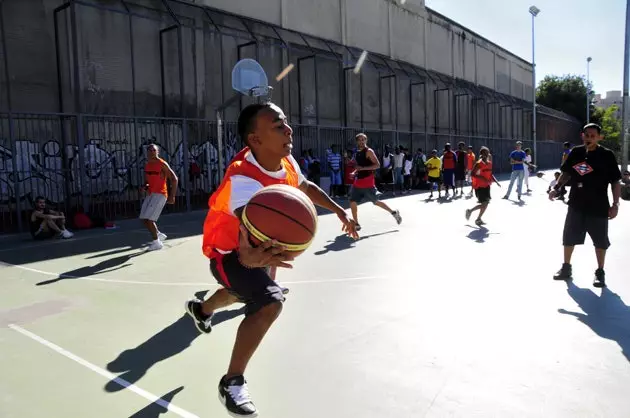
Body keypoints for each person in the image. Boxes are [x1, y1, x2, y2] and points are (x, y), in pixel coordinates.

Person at [185, 103, 358, 417]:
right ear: (255, 139)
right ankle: (232, 381)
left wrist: (338, 209)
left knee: (243, 291)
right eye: (278, 126)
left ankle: (202, 308)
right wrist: (250, 257)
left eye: (286, 123)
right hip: (228, 252)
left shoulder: (285, 159)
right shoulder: (243, 178)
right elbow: (248, 229)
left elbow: (303, 186)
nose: (289, 130)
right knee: (268, 301)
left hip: (257, 250)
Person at [549, 123, 622, 288]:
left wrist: (615, 204)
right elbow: (566, 173)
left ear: (599, 137)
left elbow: (615, 181)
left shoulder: (607, 155)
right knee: (569, 236)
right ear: (582, 135)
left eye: (593, 136)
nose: (589, 138)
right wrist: (556, 188)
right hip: (576, 203)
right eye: (586, 135)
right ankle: (566, 268)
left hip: (599, 205)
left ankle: (600, 272)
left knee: (600, 240)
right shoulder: (576, 152)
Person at [349, 133, 402, 230]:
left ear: (366, 140)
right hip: (358, 182)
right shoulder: (357, 153)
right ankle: (356, 223)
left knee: (376, 202)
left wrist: (363, 168)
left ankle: (393, 212)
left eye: (363, 139)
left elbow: (377, 165)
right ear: (357, 141)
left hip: (367, 182)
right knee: (352, 201)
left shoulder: (369, 151)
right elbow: (358, 167)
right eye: (359, 140)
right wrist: (354, 172)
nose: (361, 141)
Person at [140, 144, 178, 251]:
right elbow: (148, 181)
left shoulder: (162, 164)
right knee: (144, 218)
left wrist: (172, 196)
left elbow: (174, 179)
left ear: (158, 152)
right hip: (150, 194)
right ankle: (158, 234)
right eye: (149, 150)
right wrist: (145, 187)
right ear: (147, 152)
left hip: (160, 194)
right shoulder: (147, 165)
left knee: (149, 220)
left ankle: (156, 243)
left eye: (154, 150)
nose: (151, 151)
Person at [465, 147, 499, 226]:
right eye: (486, 153)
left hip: (487, 185)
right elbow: (473, 174)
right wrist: (482, 178)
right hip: (479, 186)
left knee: (486, 204)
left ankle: (478, 218)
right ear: (482, 154)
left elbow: (490, 174)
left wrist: (496, 181)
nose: (488, 154)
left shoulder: (489, 163)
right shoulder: (478, 163)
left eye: (488, 152)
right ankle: (470, 211)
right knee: (484, 203)